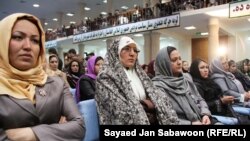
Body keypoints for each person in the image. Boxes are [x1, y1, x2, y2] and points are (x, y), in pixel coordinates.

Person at [0, 13, 84, 140]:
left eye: (35, 40)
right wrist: (59, 130)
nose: (27, 46)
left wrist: (32, 134)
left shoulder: (57, 84)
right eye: (18, 37)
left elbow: (79, 127)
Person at [95, 36, 179, 125]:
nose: (132, 54)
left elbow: (161, 99)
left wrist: (143, 105)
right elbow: (120, 111)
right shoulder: (105, 78)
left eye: (135, 50)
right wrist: (148, 104)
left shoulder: (140, 74)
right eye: (127, 49)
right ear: (116, 52)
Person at [152, 46, 215, 125]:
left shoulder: (186, 79)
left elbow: (199, 99)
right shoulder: (157, 86)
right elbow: (165, 116)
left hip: (201, 119)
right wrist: (190, 124)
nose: (179, 62)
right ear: (164, 63)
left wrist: (205, 114)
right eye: (174, 60)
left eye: (179, 58)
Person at [189, 59, 239, 124]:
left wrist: (225, 99)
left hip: (222, 111)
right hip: (210, 115)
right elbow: (201, 106)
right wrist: (221, 101)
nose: (206, 70)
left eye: (207, 67)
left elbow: (218, 94)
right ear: (195, 70)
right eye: (202, 67)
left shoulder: (209, 81)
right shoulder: (196, 85)